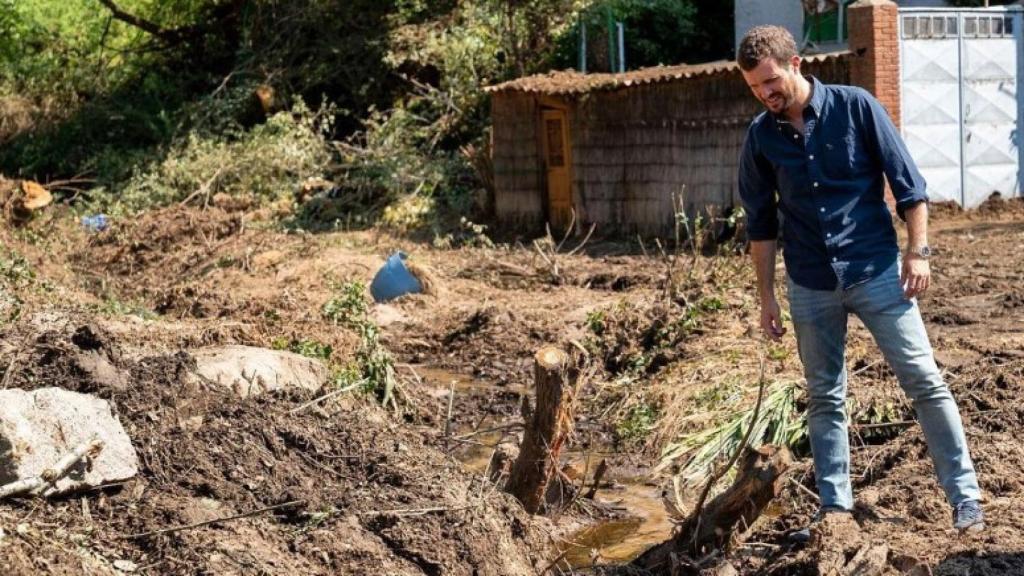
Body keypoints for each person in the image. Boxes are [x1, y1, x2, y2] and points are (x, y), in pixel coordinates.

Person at [735, 25, 984, 532]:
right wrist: (766, 297)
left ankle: (965, 498)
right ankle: (835, 509)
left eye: (770, 81)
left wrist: (918, 253)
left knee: (925, 382)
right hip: (809, 283)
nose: (765, 94)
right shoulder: (761, 136)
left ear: (796, 64)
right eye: (755, 87)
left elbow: (909, 187)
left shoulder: (857, 107)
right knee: (826, 396)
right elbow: (760, 225)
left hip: (876, 272)